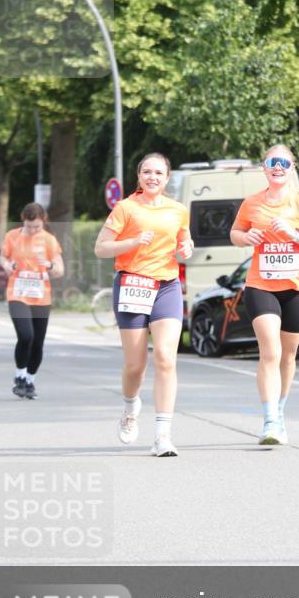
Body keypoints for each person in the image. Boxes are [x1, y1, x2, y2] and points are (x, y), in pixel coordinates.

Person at [94, 153, 194, 457]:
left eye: (158, 173)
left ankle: (162, 435)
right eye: (147, 172)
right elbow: (101, 248)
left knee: (166, 357)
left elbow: (184, 242)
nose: (152, 177)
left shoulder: (178, 210)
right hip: (132, 285)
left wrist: (187, 248)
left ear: (167, 178)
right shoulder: (125, 208)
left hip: (166, 285)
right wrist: (132, 242)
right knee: (136, 365)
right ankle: (130, 406)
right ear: (138, 177)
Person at [230, 145, 299, 445]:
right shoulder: (252, 203)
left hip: (298, 288)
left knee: (287, 356)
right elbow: (235, 233)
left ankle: (280, 410)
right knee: (270, 351)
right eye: (273, 162)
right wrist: (246, 237)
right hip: (261, 286)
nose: (278, 166)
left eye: (284, 162)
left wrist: (294, 235)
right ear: (264, 167)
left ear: (292, 168)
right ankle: (270, 420)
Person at [0, 203, 64, 400]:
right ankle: (19, 376)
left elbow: (60, 270)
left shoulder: (49, 240)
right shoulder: (13, 236)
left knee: (37, 343)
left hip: (41, 296)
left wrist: (50, 265)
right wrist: (8, 265)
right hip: (17, 293)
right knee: (26, 336)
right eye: (29, 226)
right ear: (23, 221)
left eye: (37, 226)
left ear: (43, 221)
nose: (33, 230)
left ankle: (29, 380)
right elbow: (3, 257)